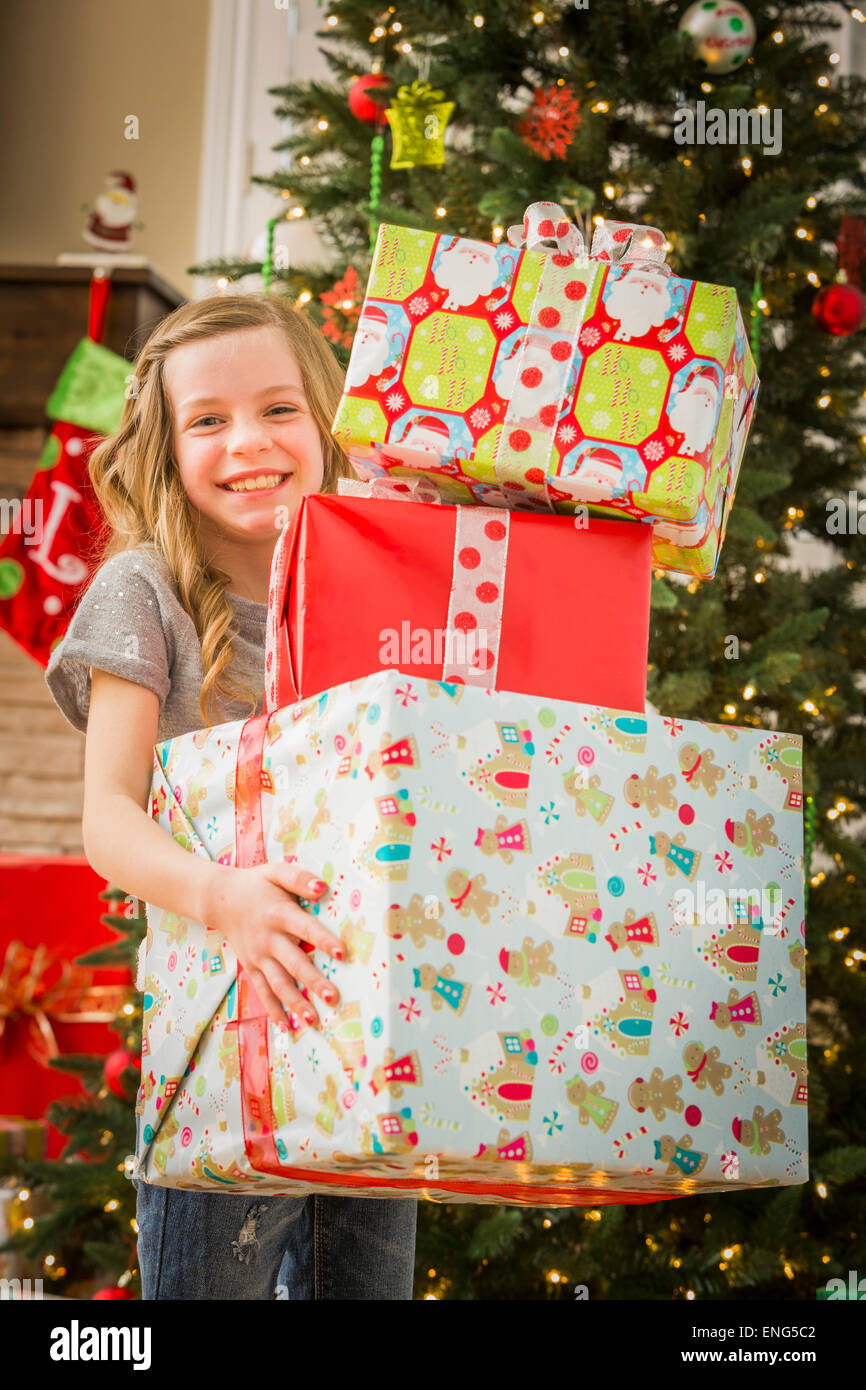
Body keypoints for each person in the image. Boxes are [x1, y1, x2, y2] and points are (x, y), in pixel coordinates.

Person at [44, 293, 419, 1300]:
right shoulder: (143, 589)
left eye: (278, 409)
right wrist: (223, 901)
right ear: (165, 444)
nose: (247, 441)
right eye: (207, 419)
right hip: (218, 1038)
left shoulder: (386, 583)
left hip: (367, 1033)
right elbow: (108, 820)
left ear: (327, 418)